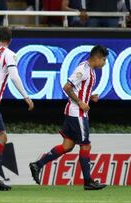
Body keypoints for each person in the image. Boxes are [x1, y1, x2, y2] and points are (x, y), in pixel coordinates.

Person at [29, 45, 109, 191]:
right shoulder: (83, 70)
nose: (104, 63)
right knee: (85, 145)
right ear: (97, 58)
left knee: (67, 146)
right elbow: (66, 87)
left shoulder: (88, 69)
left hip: (75, 112)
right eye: (104, 59)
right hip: (76, 113)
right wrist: (80, 102)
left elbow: (78, 89)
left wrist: (89, 97)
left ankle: (37, 165)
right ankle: (88, 181)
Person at [0, 27, 34, 190]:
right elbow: (15, 76)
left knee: (1, 137)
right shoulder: (9, 54)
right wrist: (26, 96)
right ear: (10, 41)